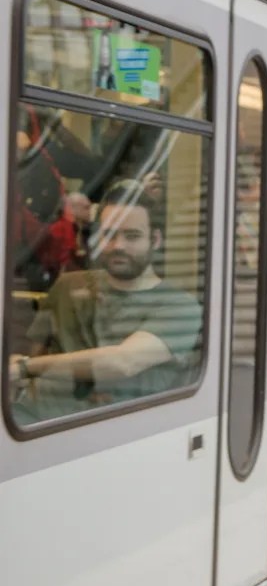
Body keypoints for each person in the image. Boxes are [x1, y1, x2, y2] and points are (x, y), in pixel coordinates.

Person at [9, 180, 204, 425]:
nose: (118, 246)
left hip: (110, 435)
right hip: (28, 422)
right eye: (110, 234)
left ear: (155, 240)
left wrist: (27, 367)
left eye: (132, 236)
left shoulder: (179, 307)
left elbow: (123, 362)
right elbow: (31, 358)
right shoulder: (67, 286)